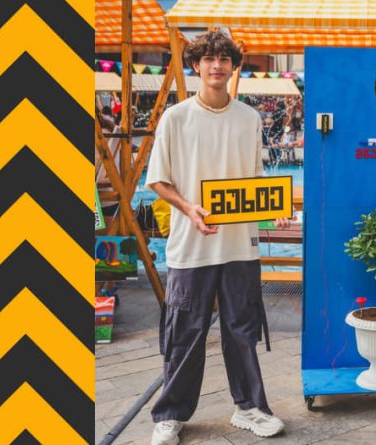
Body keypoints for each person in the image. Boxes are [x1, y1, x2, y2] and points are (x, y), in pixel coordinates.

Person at [145, 31, 289, 445]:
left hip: (240, 245)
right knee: (185, 331)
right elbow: (158, 180)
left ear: (232, 66)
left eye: (224, 59)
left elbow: (256, 179)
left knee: (242, 329)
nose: (216, 65)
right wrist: (188, 208)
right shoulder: (176, 118)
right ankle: (170, 415)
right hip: (190, 246)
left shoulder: (248, 118)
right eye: (208, 59)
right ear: (196, 66)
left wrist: (273, 208)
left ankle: (250, 408)